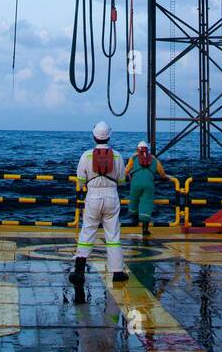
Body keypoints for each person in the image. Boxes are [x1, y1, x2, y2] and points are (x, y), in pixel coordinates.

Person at [70, 121, 128, 286]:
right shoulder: (117, 156)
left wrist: (86, 186)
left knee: (87, 232)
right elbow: (122, 180)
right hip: (111, 196)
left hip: (93, 196)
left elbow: (80, 180)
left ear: (94, 136)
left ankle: (79, 271)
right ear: (109, 136)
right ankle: (117, 272)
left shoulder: (86, 155)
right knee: (113, 235)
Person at [125, 141, 171, 237]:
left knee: (133, 201)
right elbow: (162, 174)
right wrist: (168, 177)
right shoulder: (154, 159)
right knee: (146, 204)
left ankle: (134, 221)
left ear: (138, 149)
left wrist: (126, 177)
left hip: (135, 184)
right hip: (149, 185)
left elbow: (126, 170)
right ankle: (145, 229)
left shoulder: (133, 158)